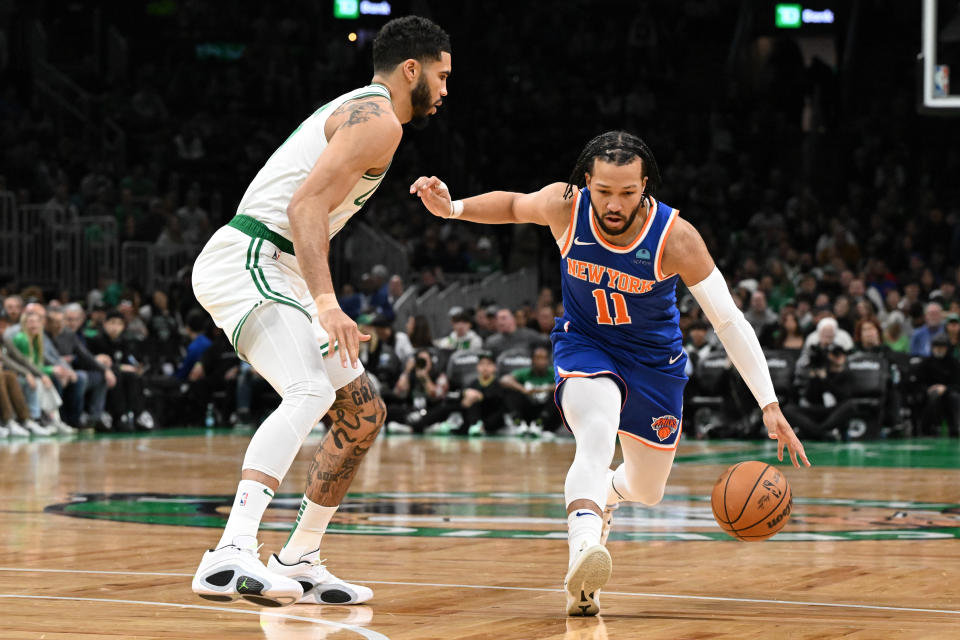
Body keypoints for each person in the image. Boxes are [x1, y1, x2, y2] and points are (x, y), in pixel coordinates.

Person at [411, 130, 809, 616]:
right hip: (586, 345)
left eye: (627, 192)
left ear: (646, 186)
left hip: (654, 366)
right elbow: (514, 205)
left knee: (648, 489)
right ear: (586, 183)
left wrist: (769, 403)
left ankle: (608, 494)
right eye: (604, 191)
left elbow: (727, 320)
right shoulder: (566, 207)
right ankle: (584, 552)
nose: (615, 203)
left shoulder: (675, 237)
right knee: (595, 432)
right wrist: (453, 208)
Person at [189, 16, 451, 607]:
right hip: (251, 255)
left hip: (277, 265)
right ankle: (229, 553)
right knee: (309, 388)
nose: (444, 89)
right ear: (413, 69)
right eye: (441, 74)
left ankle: (299, 557)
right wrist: (328, 303)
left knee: (362, 414)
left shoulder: (371, 114)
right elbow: (306, 205)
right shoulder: (378, 117)